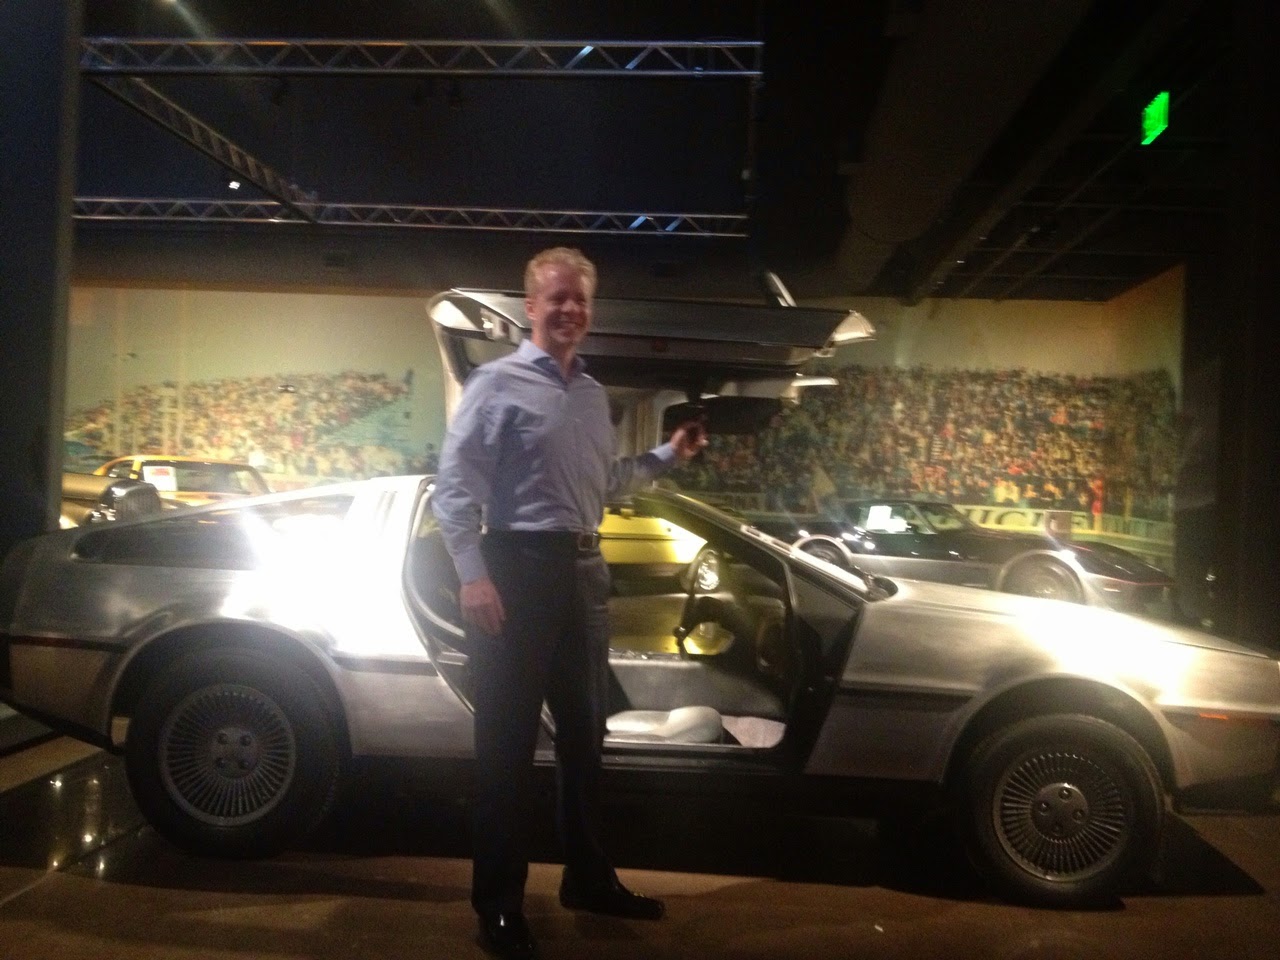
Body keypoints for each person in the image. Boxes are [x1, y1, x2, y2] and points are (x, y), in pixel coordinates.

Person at [430, 246, 707, 959]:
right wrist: (472, 576)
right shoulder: (494, 384)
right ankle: (498, 906)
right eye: (557, 298)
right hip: (515, 571)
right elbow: (454, 491)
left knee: (586, 743)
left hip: (584, 572)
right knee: (506, 749)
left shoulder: (591, 395)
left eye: (580, 299)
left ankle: (587, 879)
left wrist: (670, 456)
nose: (570, 310)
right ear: (531, 307)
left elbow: (605, 483)